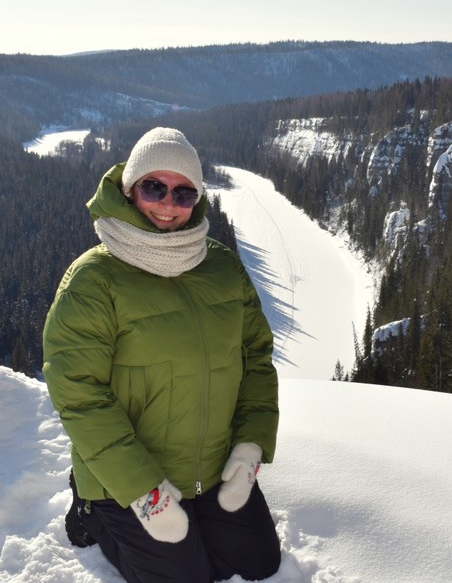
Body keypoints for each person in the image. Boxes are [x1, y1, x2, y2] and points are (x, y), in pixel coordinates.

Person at [42, 127, 281, 582]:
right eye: (154, 187)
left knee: (259, 562)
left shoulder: (222, 267)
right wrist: (143, 492)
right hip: (128, 480)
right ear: (131, 190)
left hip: (209, 467)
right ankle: (90, 510)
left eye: (184, 192)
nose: (168, 204)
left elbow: (256, 359)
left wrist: (249, 446)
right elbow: (79, 395)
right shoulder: (93, 280)